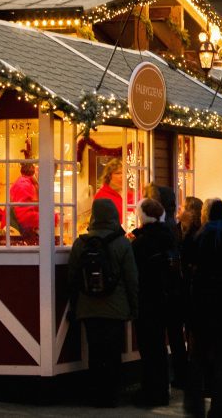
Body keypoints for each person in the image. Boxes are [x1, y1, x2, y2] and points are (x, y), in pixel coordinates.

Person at [68, 199, 139, 408]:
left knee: (95, 351)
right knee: (113, 353)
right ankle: (111, 395)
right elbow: (131, 279)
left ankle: (96, 394)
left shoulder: (80, 243)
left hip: (88, 307)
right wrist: (134, 307)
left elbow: (72, 277)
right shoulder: (123, 243)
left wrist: (74, 305)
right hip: (116, 309)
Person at [184, 199, 222, 418]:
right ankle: (220, 408)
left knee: (197, 359)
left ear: (208, 215)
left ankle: (195, 405)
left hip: (202, 307)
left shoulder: (201, 236)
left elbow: (187, 259)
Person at [130, 198, 177, 407]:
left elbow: (135, 275)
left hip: (148, 299)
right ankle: (162, 390)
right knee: (159, 346)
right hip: (166, 298)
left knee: (149, 348)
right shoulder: (170, 236)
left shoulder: (141, 243)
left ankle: (151, 391)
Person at [168, 195, 202, 389]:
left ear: (191, 212)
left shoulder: (197, 234)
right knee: (176, 332)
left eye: (184, 207)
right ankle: (181, 373)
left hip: (191, 290)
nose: (180, 209)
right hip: (178, 289)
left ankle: (192, 373)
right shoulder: (175, 230)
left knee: (192, 333)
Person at [9, 163, 40, 244]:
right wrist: (51, 218)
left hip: (22, 237)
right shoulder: (24, 184)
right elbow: (25, 216)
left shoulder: (30, 184)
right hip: (18, 237)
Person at [95, 159, 126, 224]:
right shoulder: (102, 196)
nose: (122, 176)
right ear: (109, 176)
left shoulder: (125, 193)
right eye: (118, 173)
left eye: (124, 173)